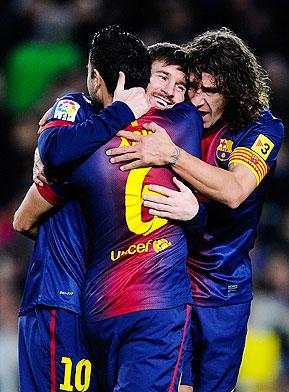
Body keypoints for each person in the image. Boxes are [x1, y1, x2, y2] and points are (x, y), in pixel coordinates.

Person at [19, 30, 205, 391]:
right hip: (64, 296)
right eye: (162, 76)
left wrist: (194, 213)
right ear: (134, 76)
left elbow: (192, 230)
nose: (170, 90)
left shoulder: (172, 140)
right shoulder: (83, 115)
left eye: (181, 86)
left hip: (108, 304)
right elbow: (25, 217)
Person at [105, 27, 285, 392]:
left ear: (234, 90)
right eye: (193, 87)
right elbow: (111, 97)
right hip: (172, 284)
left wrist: (171, 155)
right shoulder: (177, 116)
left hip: (224, 290)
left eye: (211, 90)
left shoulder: (259, 128)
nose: (197, 99)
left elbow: (234, 191)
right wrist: (64, 119)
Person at [13, 25, 152, 392]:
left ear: (96, 77)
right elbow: (55, 150)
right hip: (63, 297)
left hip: (111, 302)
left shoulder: (155, 134)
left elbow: (53, 158)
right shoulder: (76, 108)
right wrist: (119, 113)